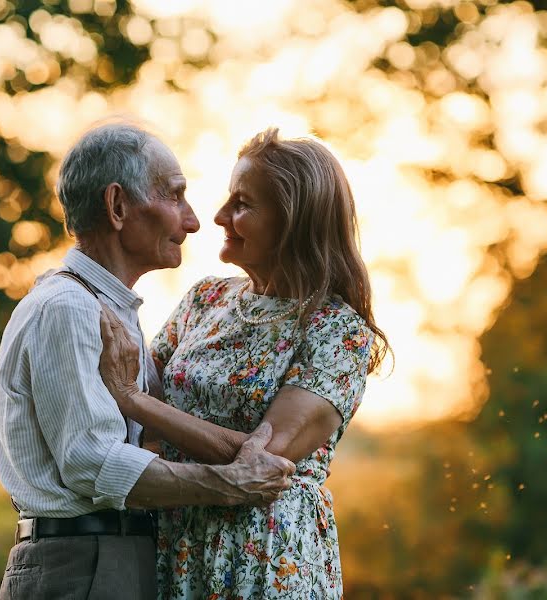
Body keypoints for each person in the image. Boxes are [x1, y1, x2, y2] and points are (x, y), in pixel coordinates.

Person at [0, 123, 296, 600]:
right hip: (84, 565)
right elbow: (91, 463)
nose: (193, 221)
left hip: (107, 558)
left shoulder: (110, 310)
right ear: (118, 207)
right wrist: (229, 484)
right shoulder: (70, 307)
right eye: (175, 196)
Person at [98, 128, 391, 599]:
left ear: (293, 221)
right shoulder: (204, 299)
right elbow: (137, 425)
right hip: (175, 542)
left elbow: (264, 461)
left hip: (266, 555)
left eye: (242, 204)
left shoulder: (338, 333)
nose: (217, 216)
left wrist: (132, 400)